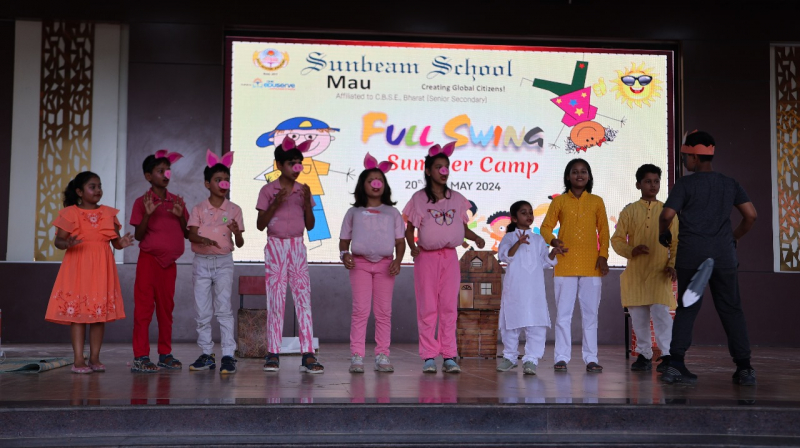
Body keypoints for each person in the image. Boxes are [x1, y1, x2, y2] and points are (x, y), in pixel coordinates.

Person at [658, 131, 757, 386]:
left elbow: (667, 215)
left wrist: (662, 233)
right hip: (723, 256)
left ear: (693, 156)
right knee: (731, 309)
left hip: (691, 255)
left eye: (684, 157)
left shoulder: (685, 184)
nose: (684, 162)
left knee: (687, 308)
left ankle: (675, 365)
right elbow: (751, 215)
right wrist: (733, 238)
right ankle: (745, 368)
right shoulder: (730, 183)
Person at [403, 142, 486, 373]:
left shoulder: (457, 198)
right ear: (428, 171)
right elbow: (409, 229)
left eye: (446, 166)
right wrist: (412, 247)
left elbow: (462, 227)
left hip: (450, 258)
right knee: (428, 307)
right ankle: (429, 356)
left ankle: (449, 355)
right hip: (426, 259)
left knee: (449, 307)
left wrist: (476, 237)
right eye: (438, 166)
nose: (443, 171)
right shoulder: (418, 198)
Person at [45, 171, 134, 373]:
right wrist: (66, 243)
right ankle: (78, 360)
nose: (98, 190)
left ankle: (94, 358)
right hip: (78, 268)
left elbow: (115, 243)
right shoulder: (70, 213)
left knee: (98, 315)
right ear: (79, 191)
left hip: (101, 269)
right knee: (77, 314)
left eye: (99, 186)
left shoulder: (108, 214)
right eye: (92, 187)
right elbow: (58, 241)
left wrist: (122, 243)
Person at [256, 136, 323, 374]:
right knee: (275, 300)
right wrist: (275, 204)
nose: (296, 167)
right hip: (275, 245)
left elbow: (311, 226)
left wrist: (305, 204)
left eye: (299, 163)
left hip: (297, 246)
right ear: (279, 165)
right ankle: (273, 353)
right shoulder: (268, 190)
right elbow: (260, 225)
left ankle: (308, 354)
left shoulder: (304, 190)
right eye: (291, 163)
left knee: (303, 299)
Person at [540, 158, 610, 373]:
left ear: (589, 176)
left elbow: (604, 231)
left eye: (583, 171)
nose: (579, 175)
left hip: (591, 265)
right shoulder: (559, 201)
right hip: (565, 263)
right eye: (575, 172)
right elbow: (545, 227)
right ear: (568, 177)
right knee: (563, 315)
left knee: (591, 315)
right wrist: (553, 241)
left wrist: (603, 256)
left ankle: (591, 358)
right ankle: (561, 357)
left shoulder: (596, 201)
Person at [339, 153, 405, 373]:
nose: (376, 184)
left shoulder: (392, 212)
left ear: (384, 185)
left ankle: (382, 355)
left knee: (384, 312)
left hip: (386, 265)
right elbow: (344, 241)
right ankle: (357, 356)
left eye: (379, 180)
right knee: (360, 310)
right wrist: (344, 254)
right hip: (360, 265)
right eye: (370, 180)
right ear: (362, 185)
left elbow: (400, 242)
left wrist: (398, 260)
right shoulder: (353, 212)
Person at [611, 164, 678, 373]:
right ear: (638, 184)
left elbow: (676, 242)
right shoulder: (630, 211)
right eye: (648, 181)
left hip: (659, 272)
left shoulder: (668, 212)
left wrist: (672, 265)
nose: (653, 185)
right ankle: (644, 355)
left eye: (656, 181)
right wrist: (631, 250)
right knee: (639, 317)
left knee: (662, 315)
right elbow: (616, 239)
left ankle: (667, 355)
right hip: (636, 274)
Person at [129, 150, 189, 373]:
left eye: (168, 170)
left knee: (166, 310)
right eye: (160, 171)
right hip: (148, 262)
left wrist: (180, 216)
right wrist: (147, 214)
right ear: (148, 176)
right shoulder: (141, 202)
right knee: (143, 310)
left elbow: (186, 233)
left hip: (169, 265)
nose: (166, 175)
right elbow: (138, 236)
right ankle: (141, 356)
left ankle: (165, 355)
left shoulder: (177, 201)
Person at [186, 150, 244, 374]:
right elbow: (191, 234)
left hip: (223, 263)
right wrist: (203, 240)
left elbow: (239, 243)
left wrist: (237, 233)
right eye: (218, 179)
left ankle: (228, 355)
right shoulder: (199, 209)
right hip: (201, 262)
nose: (223, 183)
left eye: (226, 179)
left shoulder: (234, 210)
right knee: (202, 311)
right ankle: (206, 353)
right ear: (207, 184)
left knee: (224, 310)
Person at [496, 200, 566, 375]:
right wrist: (518, 243)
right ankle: (510, 357)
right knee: (511, 323)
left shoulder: (538, 239)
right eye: (523, 213)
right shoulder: (509, 237)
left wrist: (553, 253)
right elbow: (505, 256)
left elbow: (544, 262)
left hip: (535, 289)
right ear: (514, 218)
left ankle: (531, 360)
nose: (528, 216)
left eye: (530, 212)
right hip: (515, 288)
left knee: (536, 325)